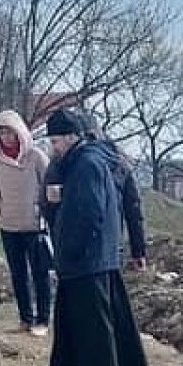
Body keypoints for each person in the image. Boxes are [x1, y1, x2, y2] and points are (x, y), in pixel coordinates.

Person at [43, 109, 151, 366]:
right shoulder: (89, 161)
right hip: (96, 256)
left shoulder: (87, 164)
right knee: (95, 321)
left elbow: (89, 212)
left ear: (70, 137)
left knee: (93, 324)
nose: (53, 148)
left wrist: (72, 249)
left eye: (55, 142)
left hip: (87, 258)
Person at [40, 111, 148, 271]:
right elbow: (133, 208)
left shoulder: (64, 163)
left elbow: (49, 206)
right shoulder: (117, 162)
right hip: (109, 244)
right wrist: (138, 250)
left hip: (76, 247)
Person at [0, 110, 52, 336]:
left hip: (34, 227)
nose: (6, 137)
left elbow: (50, 183)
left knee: (40, 273)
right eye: (2, 133)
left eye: (10, 132)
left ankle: (43, 320)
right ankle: (26, 318)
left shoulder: (35, 156)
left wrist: (42, 209)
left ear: (19, 132)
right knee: (18, 274)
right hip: (9, 226)